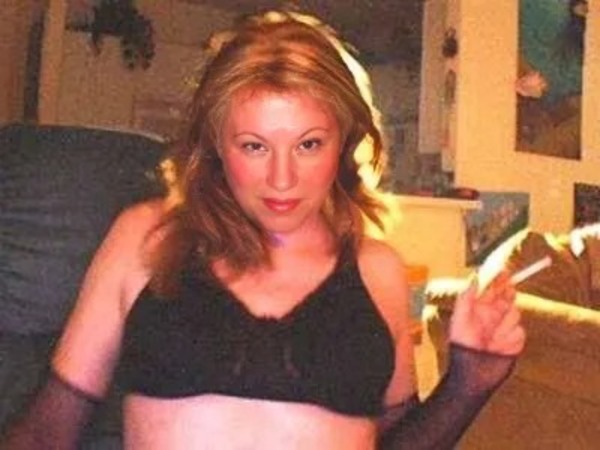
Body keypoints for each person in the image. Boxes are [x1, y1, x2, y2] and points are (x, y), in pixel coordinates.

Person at [1, 10, 525, 450]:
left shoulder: (377, 269)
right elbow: (47, 432)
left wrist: (469, 380)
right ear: (215, 145)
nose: (282, 179)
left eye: (308, 145)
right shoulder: (146, 239)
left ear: (344, 143)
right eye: (254, 146)